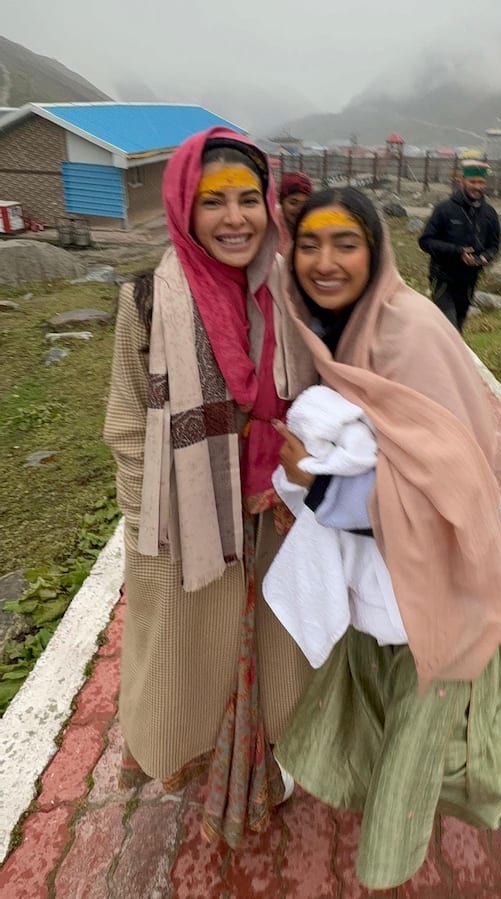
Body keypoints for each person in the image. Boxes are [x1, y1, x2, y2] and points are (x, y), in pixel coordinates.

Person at [270, 187, 501, 890]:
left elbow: (449, 482)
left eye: (346, 243)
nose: (324, 260)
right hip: (384, 582)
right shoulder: (331, 327)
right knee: (397, 723)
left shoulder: (411, 330)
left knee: (446, 750)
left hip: (444, 574)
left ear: (375, 252)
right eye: (309, 243)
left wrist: (319, 488)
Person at [104, 127, 316, 846]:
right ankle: (209, 769)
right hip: (187, 521)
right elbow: (127, 419)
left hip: (278, 514)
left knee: (278, 655)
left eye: (249, 199)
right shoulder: (146, 299)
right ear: (183, 208)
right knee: (195, 664)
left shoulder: (291, 293)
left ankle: (264, 765)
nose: (235, 218)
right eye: (212, 200)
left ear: (270, 207)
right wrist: (150, 516)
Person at [418, 159, 500, 331]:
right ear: (462, 181)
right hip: (443, 280)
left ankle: (445, 357)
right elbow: (425, 241)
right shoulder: (444, 209)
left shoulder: (489, 213)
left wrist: (484, 257)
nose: (477, 187)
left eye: (481, 182)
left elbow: (494, 246)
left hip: (469, 282)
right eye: (473, 182)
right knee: (449, 328)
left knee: (458, 328)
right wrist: (457, 252)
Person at [277, 171, 313, 251]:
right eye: (293, 202)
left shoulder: (313, 226)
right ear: (281, 201)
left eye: (305, 203)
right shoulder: (270, 229)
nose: (299, 209)